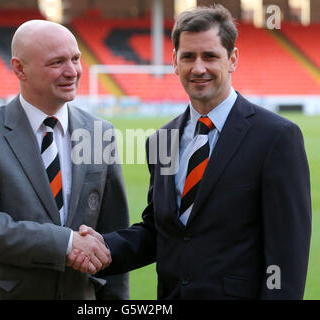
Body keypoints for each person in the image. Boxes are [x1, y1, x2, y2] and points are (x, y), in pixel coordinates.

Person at [69, 5, 312, 299]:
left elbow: (287, 254)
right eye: (188, 57)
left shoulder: (276, 137)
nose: (198, 68)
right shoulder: (161, 140)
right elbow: (159, 231)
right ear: (174, 62)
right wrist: (99, 248)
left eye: (210, 56)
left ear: (232, 59)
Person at [0, 20, 129, 300]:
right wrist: (66, 243)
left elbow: (113, 232)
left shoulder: (99, 133)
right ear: (20, 68)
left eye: (76, 58)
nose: (72, 72)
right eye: (57, 62)